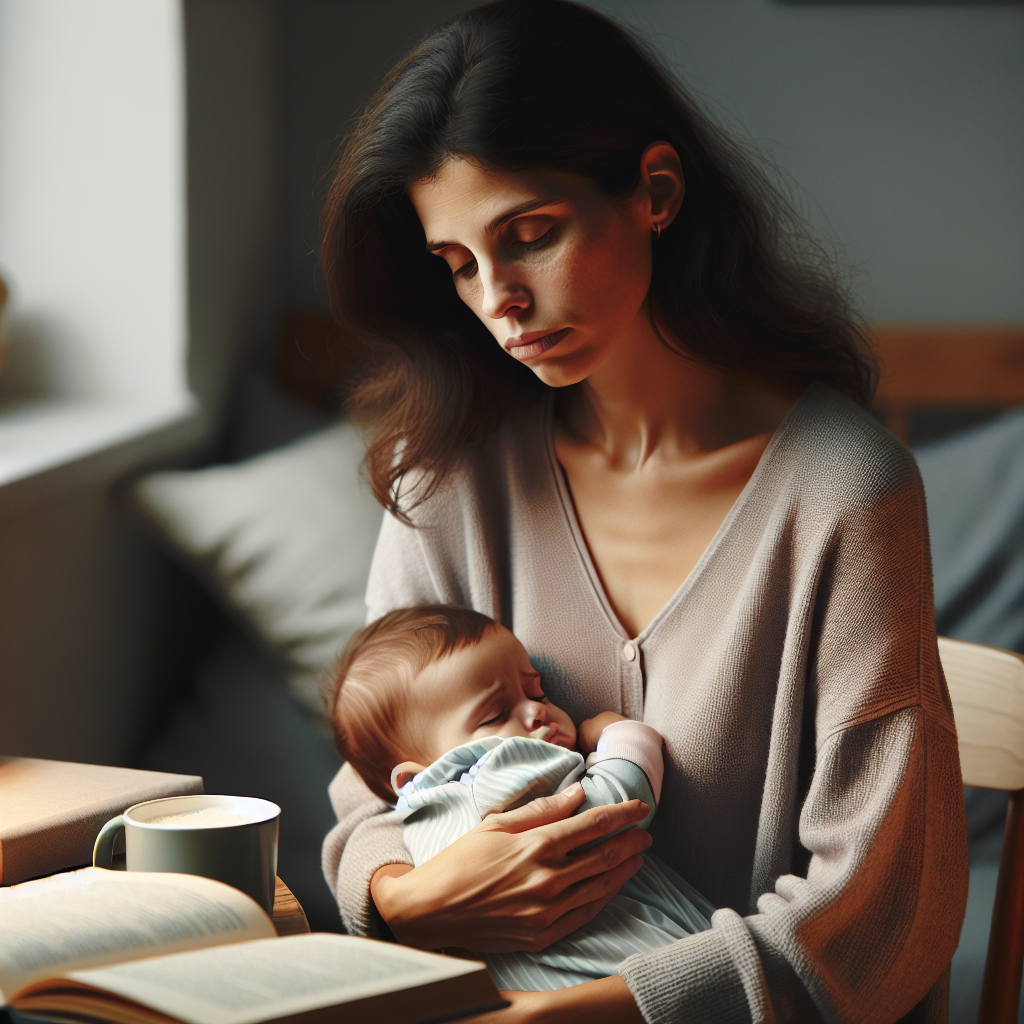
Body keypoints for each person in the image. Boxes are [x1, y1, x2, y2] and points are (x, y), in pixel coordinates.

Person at [319, 1, 969, 1021]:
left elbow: (876, 911)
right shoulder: (445, 482)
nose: (499, 301)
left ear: (654, 192)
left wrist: (579, 1014)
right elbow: (376, 786)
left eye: (529, 237)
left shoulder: (844, 490)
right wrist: (404, 896)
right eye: (457, 266)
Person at [323, 604, 715, 992]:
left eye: (538, 691)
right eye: (494, 715)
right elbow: (618, 805)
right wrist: (621, 736)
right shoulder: (490, 773)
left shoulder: (414, 828)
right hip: (642, 978)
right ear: (418, 775)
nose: (536, 712)